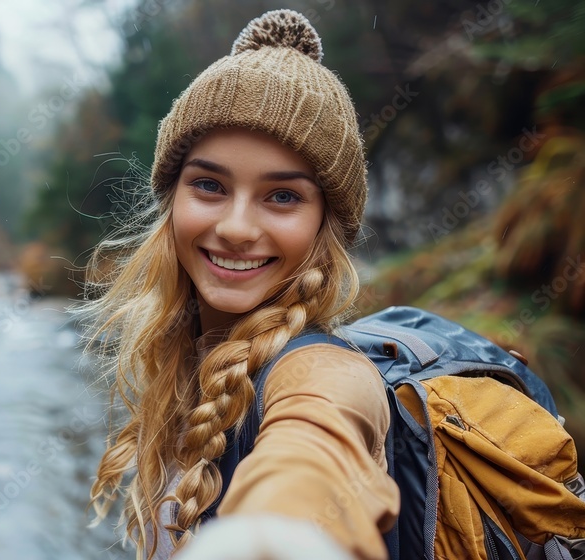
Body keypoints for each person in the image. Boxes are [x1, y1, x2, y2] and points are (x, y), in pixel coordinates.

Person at [78, 9, 401, 560]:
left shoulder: (324, 372)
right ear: (172, 200)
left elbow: (313, 448)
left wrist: (273, 539)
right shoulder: (187, 364)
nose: (235, 228)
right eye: (209, 185)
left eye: (282, 196)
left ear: (327, 225)